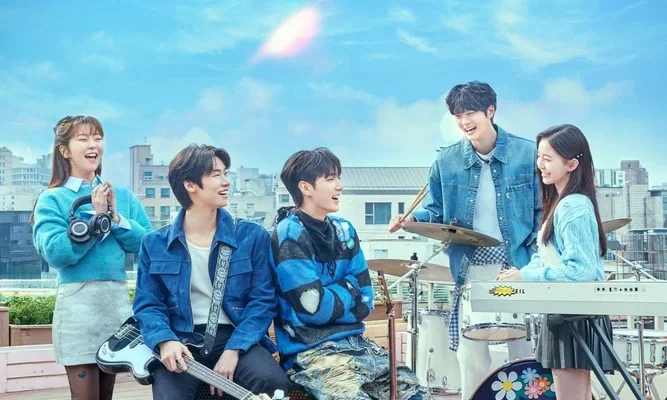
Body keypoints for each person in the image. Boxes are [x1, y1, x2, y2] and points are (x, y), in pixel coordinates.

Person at [388, 81, 539, 398]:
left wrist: (537, 261)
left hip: (516, 265)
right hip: (471, 267)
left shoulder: (527, 154)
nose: (464, 121)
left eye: (470, 113)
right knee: (471, 355)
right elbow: (436, 211)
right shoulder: (446, 161)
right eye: (458, 115)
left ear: (490, 111)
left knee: (523, 350)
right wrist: (413, 220)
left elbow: (542, 212)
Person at [132, 144, 290, 399]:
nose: (226, 181)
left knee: (273, 384)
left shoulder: (251, 236)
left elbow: (262, 300)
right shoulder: (154, 244)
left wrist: (234, 350)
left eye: (225, 173)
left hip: (235, 334)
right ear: (190, 184)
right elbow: (148, 304)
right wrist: (165, 341)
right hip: (180, 338)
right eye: (216, 175)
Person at [271, 147, 424, 400]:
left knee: (416, 394)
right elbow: (314, 309)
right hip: (311, 352)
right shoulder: (290, 235)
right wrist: (350, 287)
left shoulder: (345, 230)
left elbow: (366, 301)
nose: (339, 186)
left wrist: (336, 296)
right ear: (306, 187)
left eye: (338, 178)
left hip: (358, 345)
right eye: (330, 179)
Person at [32, 115, 150, 399]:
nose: (93, 145)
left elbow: (148, 244)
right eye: (83, 139)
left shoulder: (122, 196)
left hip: (116, 306)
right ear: (64, 150)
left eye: (98, 138)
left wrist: (115, 218)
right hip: (78, 309)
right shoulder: (52, 198)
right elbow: (56, 253)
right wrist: (96, 220)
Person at [497, 124, 613, 400]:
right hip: (570, 312)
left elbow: (581, 271)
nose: (540, 165)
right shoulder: (562, 203)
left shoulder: (573, 207)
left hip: (573, 315)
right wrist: (521, 274)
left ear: (572, 164)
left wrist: (526, 277)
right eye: (539, 157)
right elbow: (547, 255)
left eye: (548, 159)